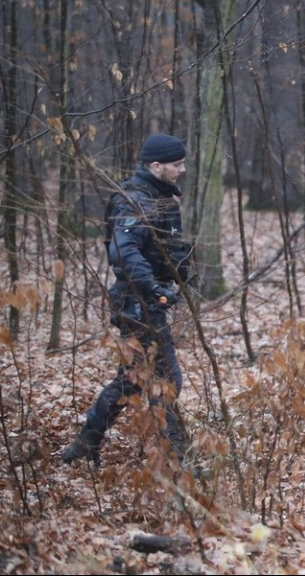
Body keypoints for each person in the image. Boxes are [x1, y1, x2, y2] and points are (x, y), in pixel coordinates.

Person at [62, 133, 193, 469]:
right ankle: (179, 462)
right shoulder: (133, 200)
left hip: (150, 300)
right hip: (138, 304)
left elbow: (162, 248)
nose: (182, 169)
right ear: (155, 166)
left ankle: (88, 441)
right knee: (166, 381)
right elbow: (124, 251)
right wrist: (153, 288)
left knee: (132, 379)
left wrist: (180, 273)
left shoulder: (159, 197)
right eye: (177, 164)